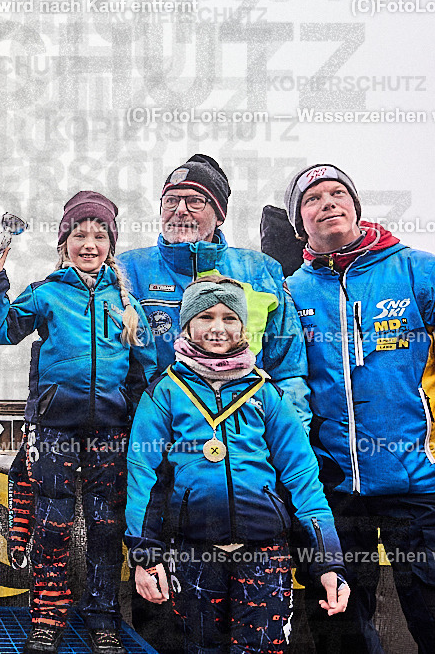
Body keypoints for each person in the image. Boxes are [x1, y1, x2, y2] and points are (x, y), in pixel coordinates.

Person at [283, 163, 435, 653]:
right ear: (300, 223)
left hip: (423, 484)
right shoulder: (291, 292)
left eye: (337, 193)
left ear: (356, 206)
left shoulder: (423, 271)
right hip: (332, 493)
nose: (328, 203)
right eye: (312, 199)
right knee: (341, 636)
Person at [126, 276, 349, 654]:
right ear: (186, 325)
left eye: (229, 317)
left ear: (243, 326)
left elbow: (303, 478)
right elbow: (143, 476)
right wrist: (145, 556)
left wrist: (328, 564)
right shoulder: (164, 391)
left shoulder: (266, 393)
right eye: (205, 316)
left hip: (264, 555)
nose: (218, 327)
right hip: (193, 553)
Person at [0, 191, 157, 654]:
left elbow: (148, 368)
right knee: (52, 523)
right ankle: (47, 615)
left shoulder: (127, 301)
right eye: (79, 235)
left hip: (111, 431)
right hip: (54, 428)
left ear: (111, 245)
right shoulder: (46, 292)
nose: (89, 244)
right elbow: (0, 331)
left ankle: (103, 618)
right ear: (64, 243)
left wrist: (140, 421)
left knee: (105, 526)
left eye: (99, 236)